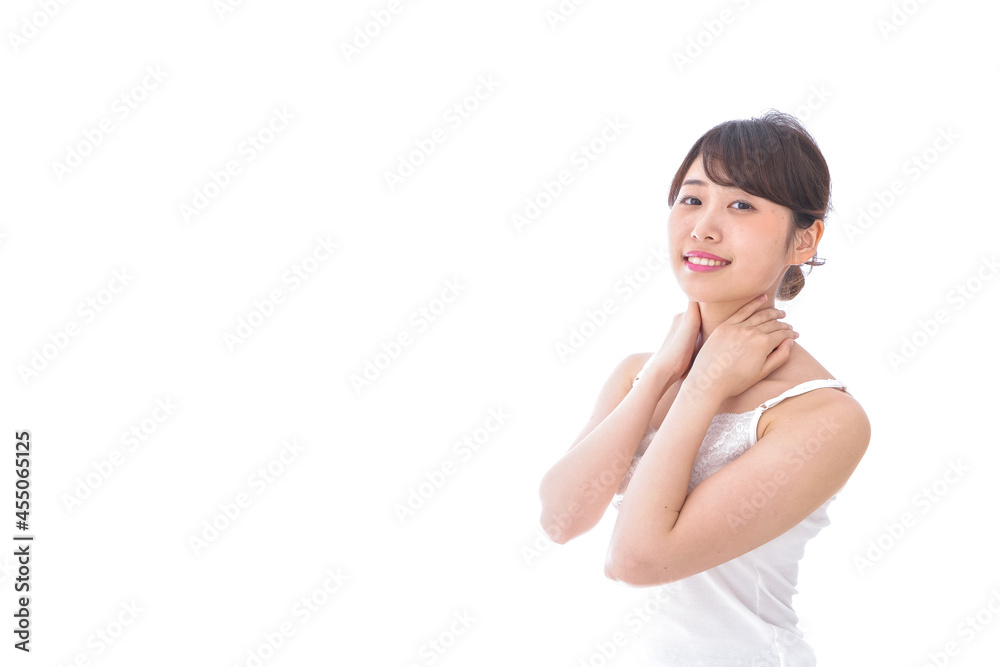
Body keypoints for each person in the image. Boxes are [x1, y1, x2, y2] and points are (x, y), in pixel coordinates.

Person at [537, 110, 871, 665]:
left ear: (804, 240)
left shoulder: (824, 417)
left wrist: (704, 387)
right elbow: (560, 520)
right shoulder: (639, 373)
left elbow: (637, 560)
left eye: (742, 205)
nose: (703, 227)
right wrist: (662, 375)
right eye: (692, 199)